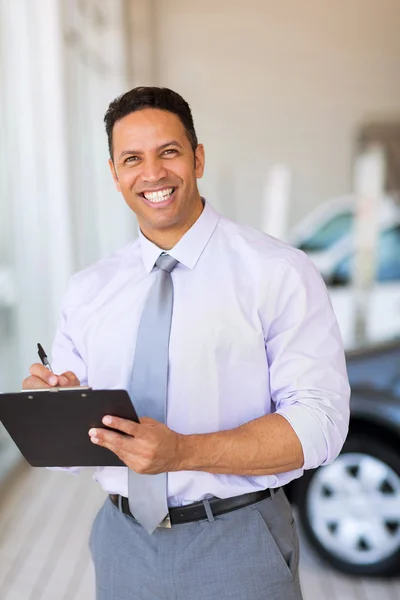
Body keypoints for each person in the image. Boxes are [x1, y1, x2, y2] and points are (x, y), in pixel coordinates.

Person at [22, 86, 350, 600]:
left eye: (168, 152)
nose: (152, 174)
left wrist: (183, 452)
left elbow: (319, 427)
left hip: (238, 543)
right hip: (122, 543)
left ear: (197, 157)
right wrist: (53, 409)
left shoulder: (278, 272)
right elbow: (72, 453)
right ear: (114, 173)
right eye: (133, 158)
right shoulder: (90, 288)